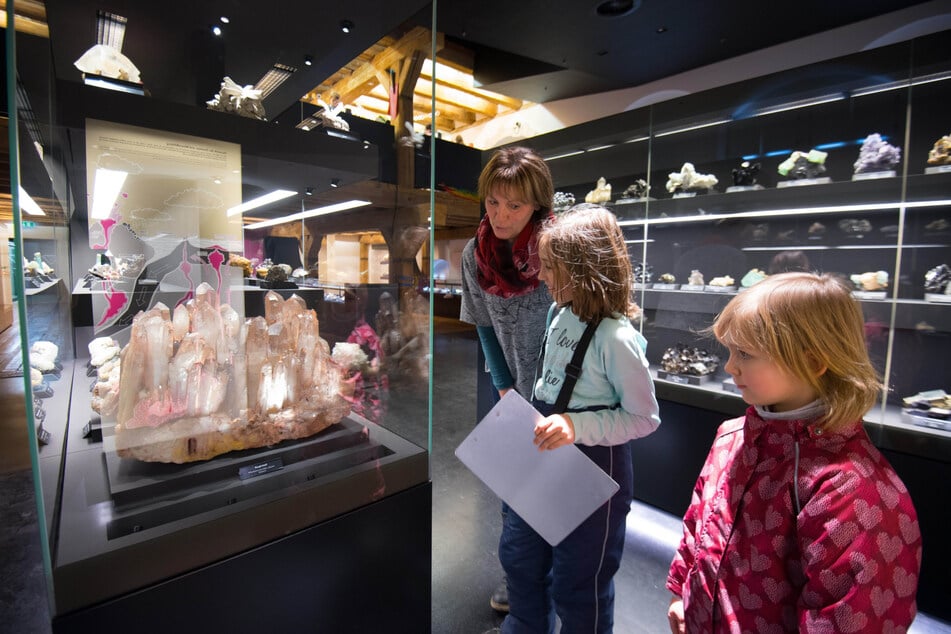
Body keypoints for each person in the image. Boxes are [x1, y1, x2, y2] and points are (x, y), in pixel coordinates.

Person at [666, 272, 922, 633]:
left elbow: (849, 617)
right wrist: (683, 590)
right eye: (730, 350)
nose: (729, 366)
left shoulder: (852, 489)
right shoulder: (732, 437)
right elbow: (700, 524)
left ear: (814, 362)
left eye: (746, 354)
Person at [497, 204, 661, 633]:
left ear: (585, 269)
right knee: (519, 555)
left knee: (579, 581)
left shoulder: (617, 337)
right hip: (543, 457)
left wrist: (577, 426)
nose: (543, 276)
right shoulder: (558, 314)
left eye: (552, 267)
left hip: (595, 471)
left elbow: (644, 418)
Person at [460, 146, 555, 614]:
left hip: (568, 395)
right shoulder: (472, 256)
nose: (500, 214)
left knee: (559, 494)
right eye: (493, 202)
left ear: (537, 203)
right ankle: (520, 581)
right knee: (516, 493)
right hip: (513, 391)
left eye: (514, 205)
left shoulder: (559, 251)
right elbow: (482, 323)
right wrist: (502, 385)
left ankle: (553, 583)